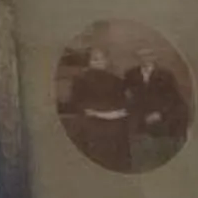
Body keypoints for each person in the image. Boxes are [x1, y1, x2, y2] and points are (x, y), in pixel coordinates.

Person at [59, 45, 133, 173]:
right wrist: (96, 113)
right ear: (89, 62)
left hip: (115, 122)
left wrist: (120, 111)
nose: (99, 62)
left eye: (102, 59)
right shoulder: (81, 79)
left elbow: (123, 102)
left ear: (107, 61)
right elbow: (76, 102)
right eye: (95, 59)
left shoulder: (116, 80)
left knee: (119, 156)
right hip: (92, 123)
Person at [120, 43, 191, 173]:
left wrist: (160, 113)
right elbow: (126, 95)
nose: (145, 58)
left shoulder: (165, 75)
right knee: (136, 143)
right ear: (136, 57)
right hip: (139, 115)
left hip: (161, 114)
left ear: (155, 56)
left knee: (163, 144)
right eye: (141, 55)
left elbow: (173, 99)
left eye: (148, 55)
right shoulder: (131, 74)